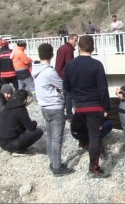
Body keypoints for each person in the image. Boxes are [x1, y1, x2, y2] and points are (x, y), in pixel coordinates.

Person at [64, 35, 111, 178]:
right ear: (93, 48)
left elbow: (66, 87)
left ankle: (83, 143)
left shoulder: (70, 65)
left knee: (84, 130)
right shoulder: (97, 65)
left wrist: (77, 99)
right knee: (95, 137)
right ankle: (94, 169)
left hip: (80, 107)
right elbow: (103, 90)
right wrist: (106, 108)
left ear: (78, 47)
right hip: (95, 107)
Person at [32, 43, 75, 177]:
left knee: (50, 138)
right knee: (57, 139)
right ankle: (57, 167)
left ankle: (53, 163)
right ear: (52, 55)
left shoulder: (36, 69)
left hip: (45, 107)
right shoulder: (49, 71)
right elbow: (63, 85)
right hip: (55, 108)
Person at [0, 89, 44, 155]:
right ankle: (19, 150)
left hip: (0, 141)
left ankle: (17, 147)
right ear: (25, 100)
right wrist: (35, 122)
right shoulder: (21, 109)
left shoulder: (8, 105)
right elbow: (30, 127)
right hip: (10, 144)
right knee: (38, 131)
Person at [55, 34, 78, 122]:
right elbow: (69, 64)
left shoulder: (61, 48)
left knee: (65, 95)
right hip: (66, 76)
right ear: (71, 39)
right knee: (69, 95)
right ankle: (69, 115)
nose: (76, 43)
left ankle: (63, 113)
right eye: (75, 40)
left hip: (60, 73)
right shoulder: (69, 50)